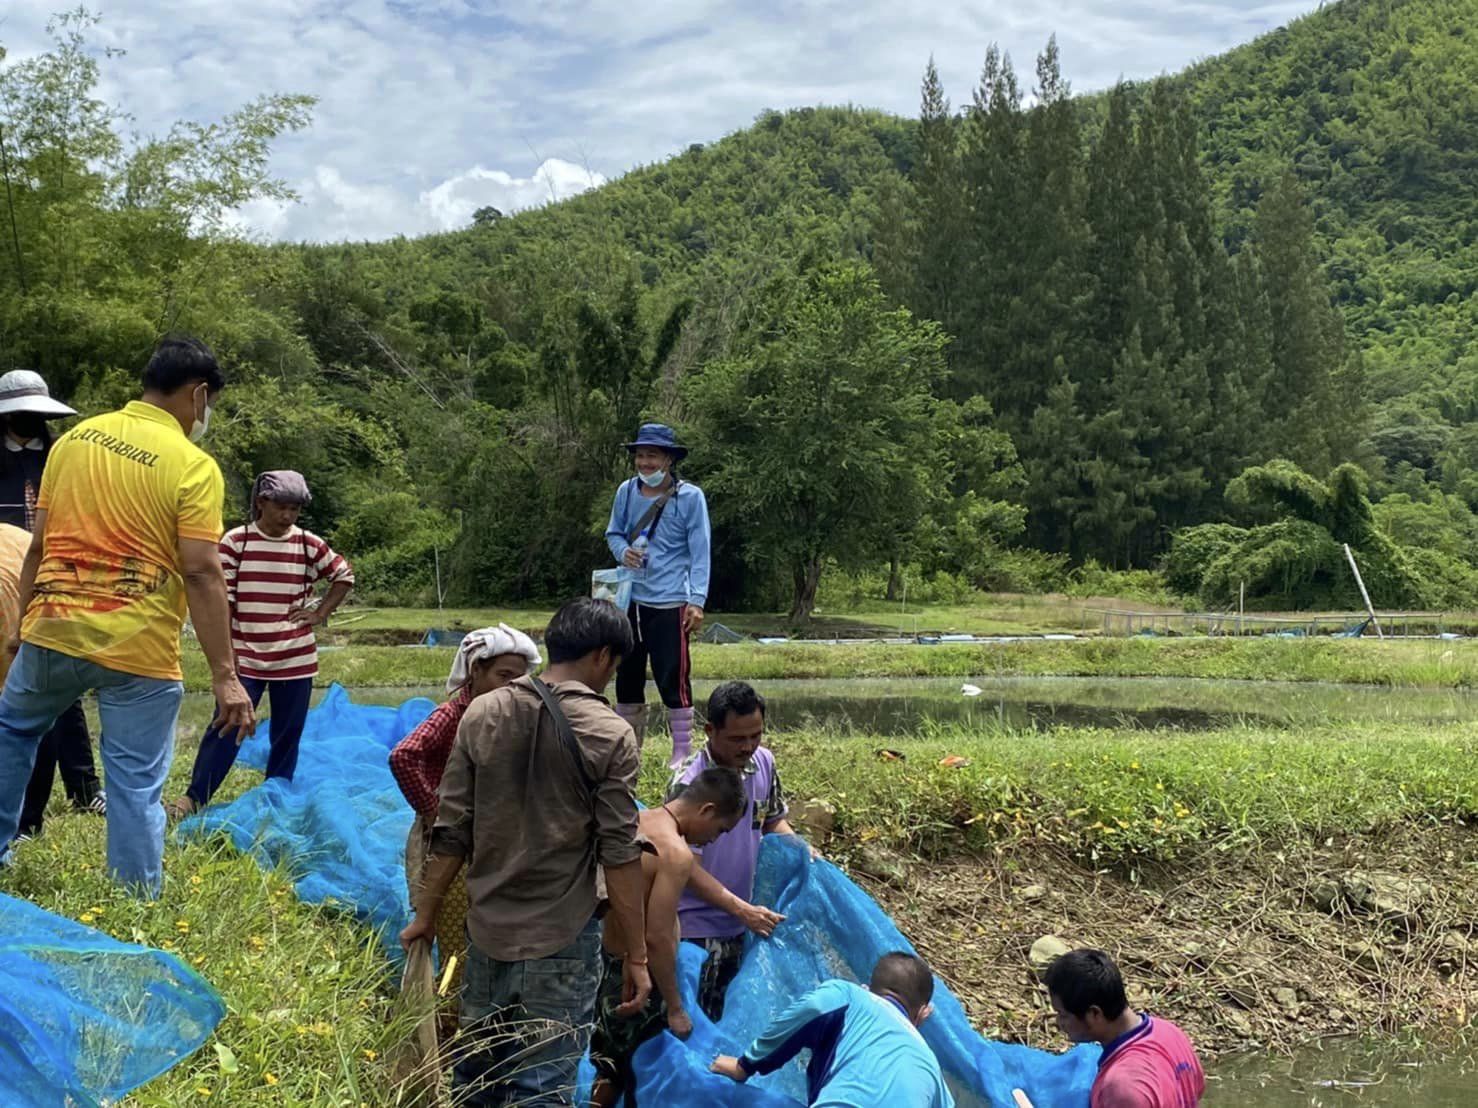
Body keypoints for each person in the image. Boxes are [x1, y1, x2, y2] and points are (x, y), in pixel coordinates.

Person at [0, 336, 254, 892]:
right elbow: (202, 573)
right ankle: (134, 899)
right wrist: (226, 676)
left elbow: (38, 547)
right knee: (135, 783)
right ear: (199, 394)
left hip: (53, 631)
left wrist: (20, 629)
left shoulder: (70, 442)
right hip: (137, 651)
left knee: (13, 732)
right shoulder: (193, 465)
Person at [400, 597, 652, 1107]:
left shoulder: (482, 712)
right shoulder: (610, 733)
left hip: (487, 931)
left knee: (478, 1075)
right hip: (561, 937)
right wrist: (637, 955)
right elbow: (620, 854)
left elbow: (451, 830)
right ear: (604, 657)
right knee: (542, 1085)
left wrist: (424, 915)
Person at [169, 470, 354, 817]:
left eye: (294, 510)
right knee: (227, 725)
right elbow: (222, 601)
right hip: (247, 656)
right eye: (280, 507)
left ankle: (276, 798)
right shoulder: (237, 543)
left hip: (295, 658)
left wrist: (319, 613)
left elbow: (343, 575)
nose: (287, 516)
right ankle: (194, 797)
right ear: (260, 503)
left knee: (287, 733)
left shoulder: (306, 544)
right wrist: (227, 654)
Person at [388, 623, 542, 989]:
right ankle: (452, 1011)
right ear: (476, 671)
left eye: (518, 680)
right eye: (503, 675)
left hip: (489, 836)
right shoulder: (455, 713)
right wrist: (433, 810)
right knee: (458, 929)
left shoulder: (509, 714)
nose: (510, 687)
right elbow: (404, 756)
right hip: (452, 842)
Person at [591, 766, 747, 1107]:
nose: (713, 839)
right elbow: (658, 937)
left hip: (607, 962)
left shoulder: (637, 820)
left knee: (608, 1064)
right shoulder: (675, 852)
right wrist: (675, 1006)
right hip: (639, 976)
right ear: (706, 810)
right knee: (640, 1071)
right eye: (720, 829)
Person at [668, 680, 812, 1022]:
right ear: (710, 730)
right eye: (736, 738)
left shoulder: (763, 762)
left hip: (744, 922)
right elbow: (683, 865)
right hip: (697, 929)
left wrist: (801, 849)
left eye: (756, 735)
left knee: (735, 1021)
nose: (748, 746)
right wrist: (742, 910)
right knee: (698, 1021)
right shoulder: (690, 783)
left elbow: (772, 820)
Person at [0, 370, 106, 831]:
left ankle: (83, 788)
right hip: (5, 578)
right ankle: (21, 806)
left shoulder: (60, 456)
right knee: (18, 682)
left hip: (55, 573)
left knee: (62, 684)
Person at [710, 951, 954, 1108]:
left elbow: (811, 1009)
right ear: (923, 1013)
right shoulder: (930, 1064)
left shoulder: (850, 996)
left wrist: (745, 1065)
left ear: (867, 987)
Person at [605, 422, 711, 769]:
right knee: (628, 673)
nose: (645, 463)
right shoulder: (626, 491)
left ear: (668, 459)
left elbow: (700, 551)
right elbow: (614, 533)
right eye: (640, 456)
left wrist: (696, 600)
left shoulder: (690, 497)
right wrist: (623, 553)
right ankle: (628, 748)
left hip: (671, 600)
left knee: (673, 675)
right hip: (630, 599)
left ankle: (681, 750)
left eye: (652, 456)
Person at [1043, 948, 1205, 1108]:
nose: (1059, 1022)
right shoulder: (1170, 1033)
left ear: (1094, 1014)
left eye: (1062, 1014)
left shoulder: (1122, 1089)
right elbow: (1197, 1089)